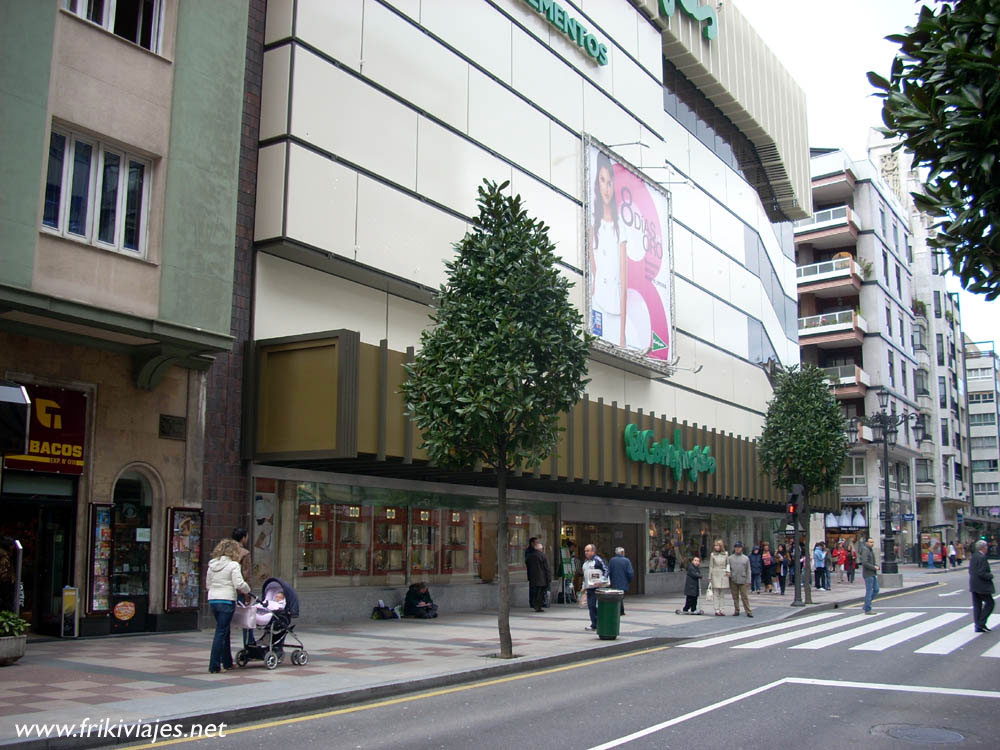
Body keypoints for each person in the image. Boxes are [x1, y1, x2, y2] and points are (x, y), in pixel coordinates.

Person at [589, 152, 627, 347]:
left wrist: (622, 336)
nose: (606, 187)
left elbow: (623, 283)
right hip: (597, 306)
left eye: (609, 182)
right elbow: (593, 268)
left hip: (616, 311)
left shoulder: (620, 228)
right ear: (597, 183)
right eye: (602, 180)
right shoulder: (592, 223)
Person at [206, 538, 251, 673]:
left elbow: (208, 584)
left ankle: (227, 662)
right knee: (221, 631)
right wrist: (247, 590)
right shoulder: (233, 565)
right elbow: (239, 584)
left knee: (224, 630)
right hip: (226, 600)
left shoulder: (212, 564)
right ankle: (214, 665)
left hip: (213, 600)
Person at [232, 528, 253, 646]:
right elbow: (246, 574)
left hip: (228, 590)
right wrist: (247, 593)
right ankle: (249, 643)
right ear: (243, 538)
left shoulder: (226, 551)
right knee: (246, 618)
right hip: (240, 590)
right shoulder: (244, 553)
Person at [581, 544, 609, 631]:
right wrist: (583, 586)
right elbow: (585, 576)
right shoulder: (586, 563)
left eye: (588, 551)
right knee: (591, 606)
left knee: (594, 605)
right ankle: (594, 623)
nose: (586, 552)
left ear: (593, 551)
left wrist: (601, 581)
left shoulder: (597, 560)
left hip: (596, 588)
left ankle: (596, 624)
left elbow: (606, 570)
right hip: (589, 587)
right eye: (585, 551)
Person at [970, 540, 995, 632]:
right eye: (986, 547)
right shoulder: (982, 558)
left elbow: (971, 571)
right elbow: (982, 573)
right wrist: (990, 576)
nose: (987, 548)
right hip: (982, 585)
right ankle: (981, 623)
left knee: (977, 605)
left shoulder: (974, 556)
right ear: (983, 548)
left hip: (974, 584)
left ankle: (978, 626)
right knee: (990, 603)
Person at [525, 537, 552, 612]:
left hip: (533, 577)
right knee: (540, 593)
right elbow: (546, 568)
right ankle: (538, 606)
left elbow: (528, 565)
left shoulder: (530, 555)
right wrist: (548, 577)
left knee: (535, 592)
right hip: (541, 577)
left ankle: (534, 604)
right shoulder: (542, 556)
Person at [729, 541, 753, 617]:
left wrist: (748, 580)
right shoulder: (730, 558)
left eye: (739, 547)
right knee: (735, 596)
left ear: (741, 548)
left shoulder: (746, 558)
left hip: (743, 579)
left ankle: (748, 611)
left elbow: (748, 570)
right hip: (733, 579)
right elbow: (728, 568)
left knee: (744, 596)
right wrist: (729, 575)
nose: (737, 549)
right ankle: (736, 610)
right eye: (736, 547)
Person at [609, 546, 634, 615]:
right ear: (622, 552)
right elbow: (630, 573)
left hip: (614, 582)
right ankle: (620, 611)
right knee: (621, 597)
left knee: (617, 597)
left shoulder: (612, 560)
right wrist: (629, 580)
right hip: (623, 582)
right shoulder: (626, 561)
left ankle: (619, 610)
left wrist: (610, 580)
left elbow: (609, 571)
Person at [708, 539, 729, 616]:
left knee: (722, 594)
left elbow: (728, 564)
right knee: (716, 593)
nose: (716, 547)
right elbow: (711, 566)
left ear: (721, 546)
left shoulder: (726, 554)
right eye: (715, 546)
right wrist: (709, 576)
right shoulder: (712, 555)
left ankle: (722, 609)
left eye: (718, 545)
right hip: (715, 574)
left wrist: (728, 572)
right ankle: (716, 609)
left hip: (723, 574)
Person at [860, 537, 880, 614]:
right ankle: (868, 609)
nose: (872, 543)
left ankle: (866, 605)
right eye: (870, 542)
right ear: (866, 543)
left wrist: (876, 566)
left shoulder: (870, 550)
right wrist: (874, 567)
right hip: (868, 574)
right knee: (869, 591)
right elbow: (865, 562)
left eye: (872, 542)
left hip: (873, 573)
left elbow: (871, 562)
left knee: (876, 589)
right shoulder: (865, 550)